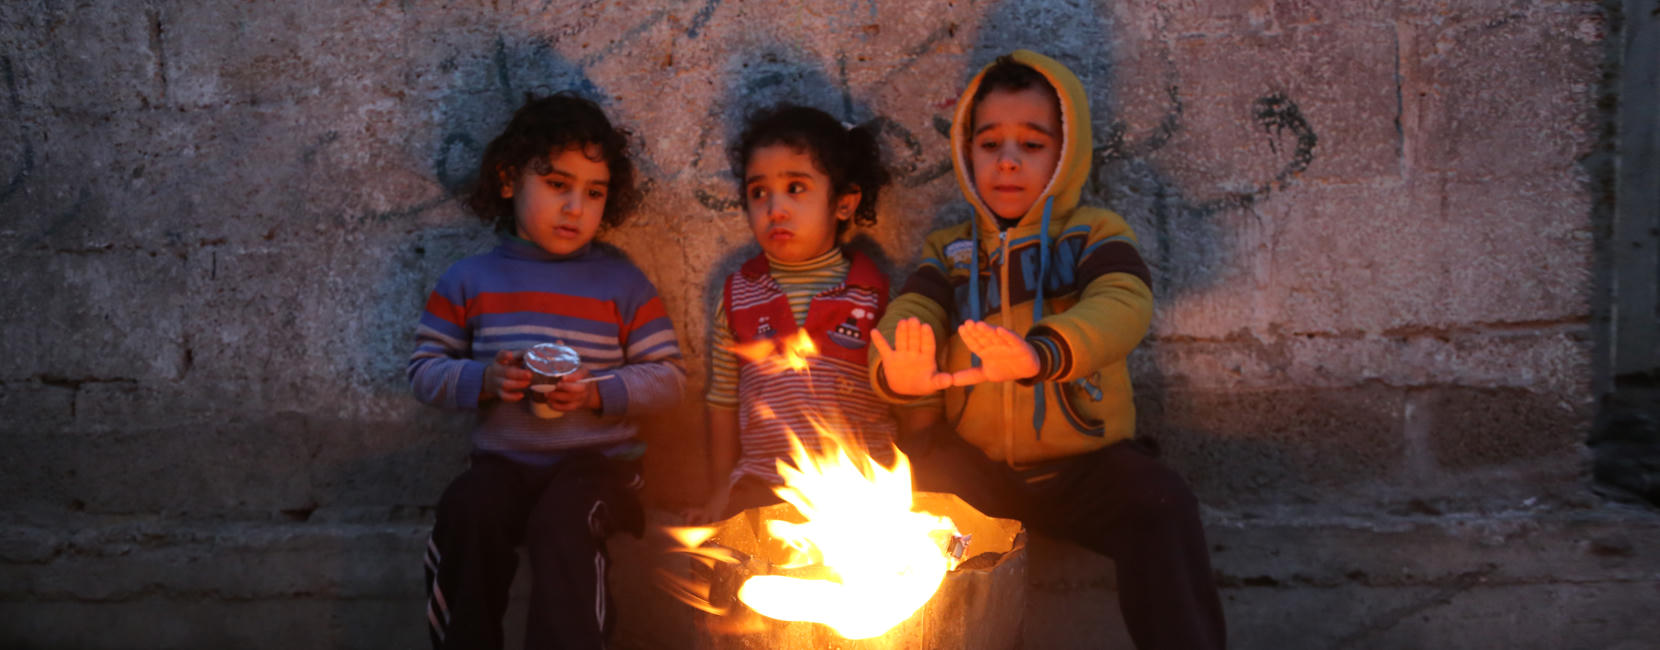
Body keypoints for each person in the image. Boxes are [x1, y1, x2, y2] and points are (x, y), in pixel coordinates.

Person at [869, 51, 1227, 650]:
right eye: (990, 144)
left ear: (1066, 153)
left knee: (1163, 502)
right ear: (966, 152)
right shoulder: (951, 252)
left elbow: (1123, 304)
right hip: (976, 467)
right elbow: (911, 316)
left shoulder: (1094, 234)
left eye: (1032, 145)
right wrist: (900, 371)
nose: (1008, 162)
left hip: (1085, 462)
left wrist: (1041, 354)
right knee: (917, 498)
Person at [409, 93, 685, 650]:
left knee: (564, 522)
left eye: (594, 193)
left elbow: (670, 379)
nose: (576, 207)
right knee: (468, 508)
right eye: (558, 184)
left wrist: (596, 394)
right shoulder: (470, 280)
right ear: (510, 180)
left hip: (600, 469)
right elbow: (424, 370)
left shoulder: (622, 284)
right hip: (504, 465)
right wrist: (482, 381)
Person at [688, 104, 898, 522]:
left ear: (843, 203)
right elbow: (723, 402)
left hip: (859, 488)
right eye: (758, 192)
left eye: (796, 188)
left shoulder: (874, 296)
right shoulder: (738, 296)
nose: (775, 209)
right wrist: (719, 491)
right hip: (763, 486)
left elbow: (907, 399)